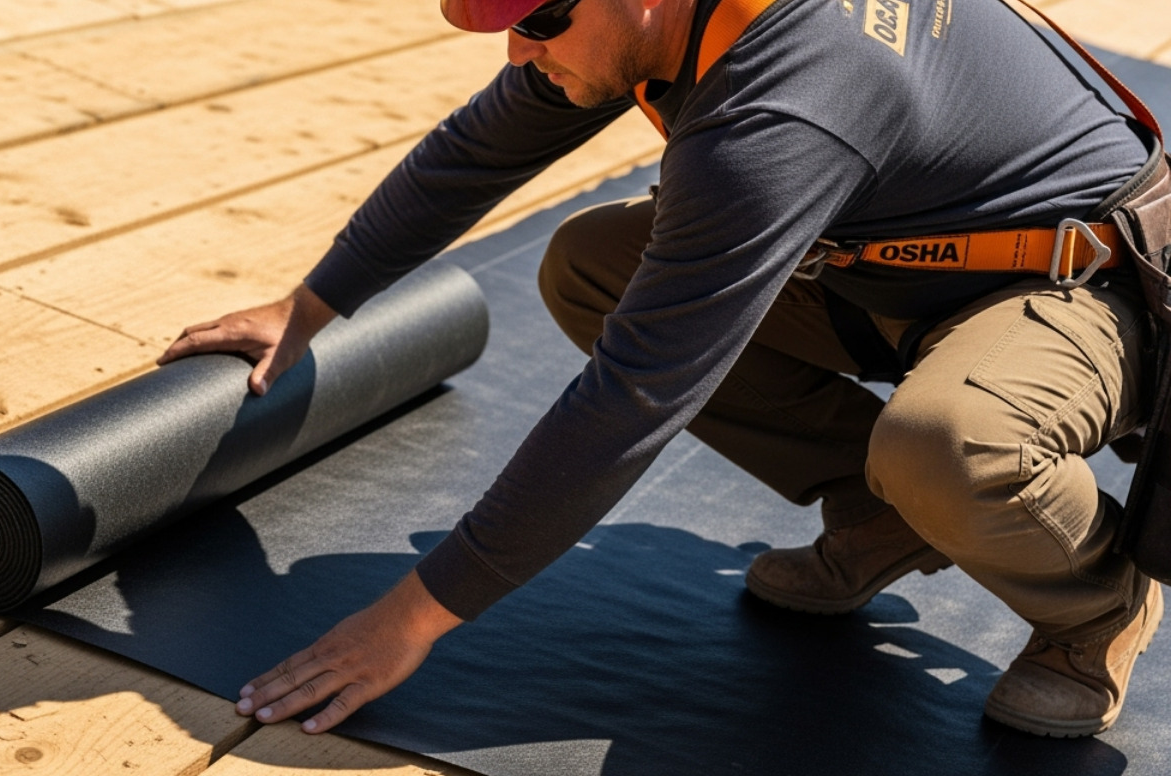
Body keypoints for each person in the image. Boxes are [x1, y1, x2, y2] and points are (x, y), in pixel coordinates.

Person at [158, 0, 1165, 739]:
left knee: (948, 441)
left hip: (1090, 286)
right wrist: (311, 304)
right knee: (592, 266)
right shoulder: (660, 18)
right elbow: (476, 149)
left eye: (542, 21)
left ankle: (1093, 600)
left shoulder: (785, 103)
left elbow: (636, 393)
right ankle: (886, 512)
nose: (521, 50)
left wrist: (414, 617)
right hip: (913, 258)